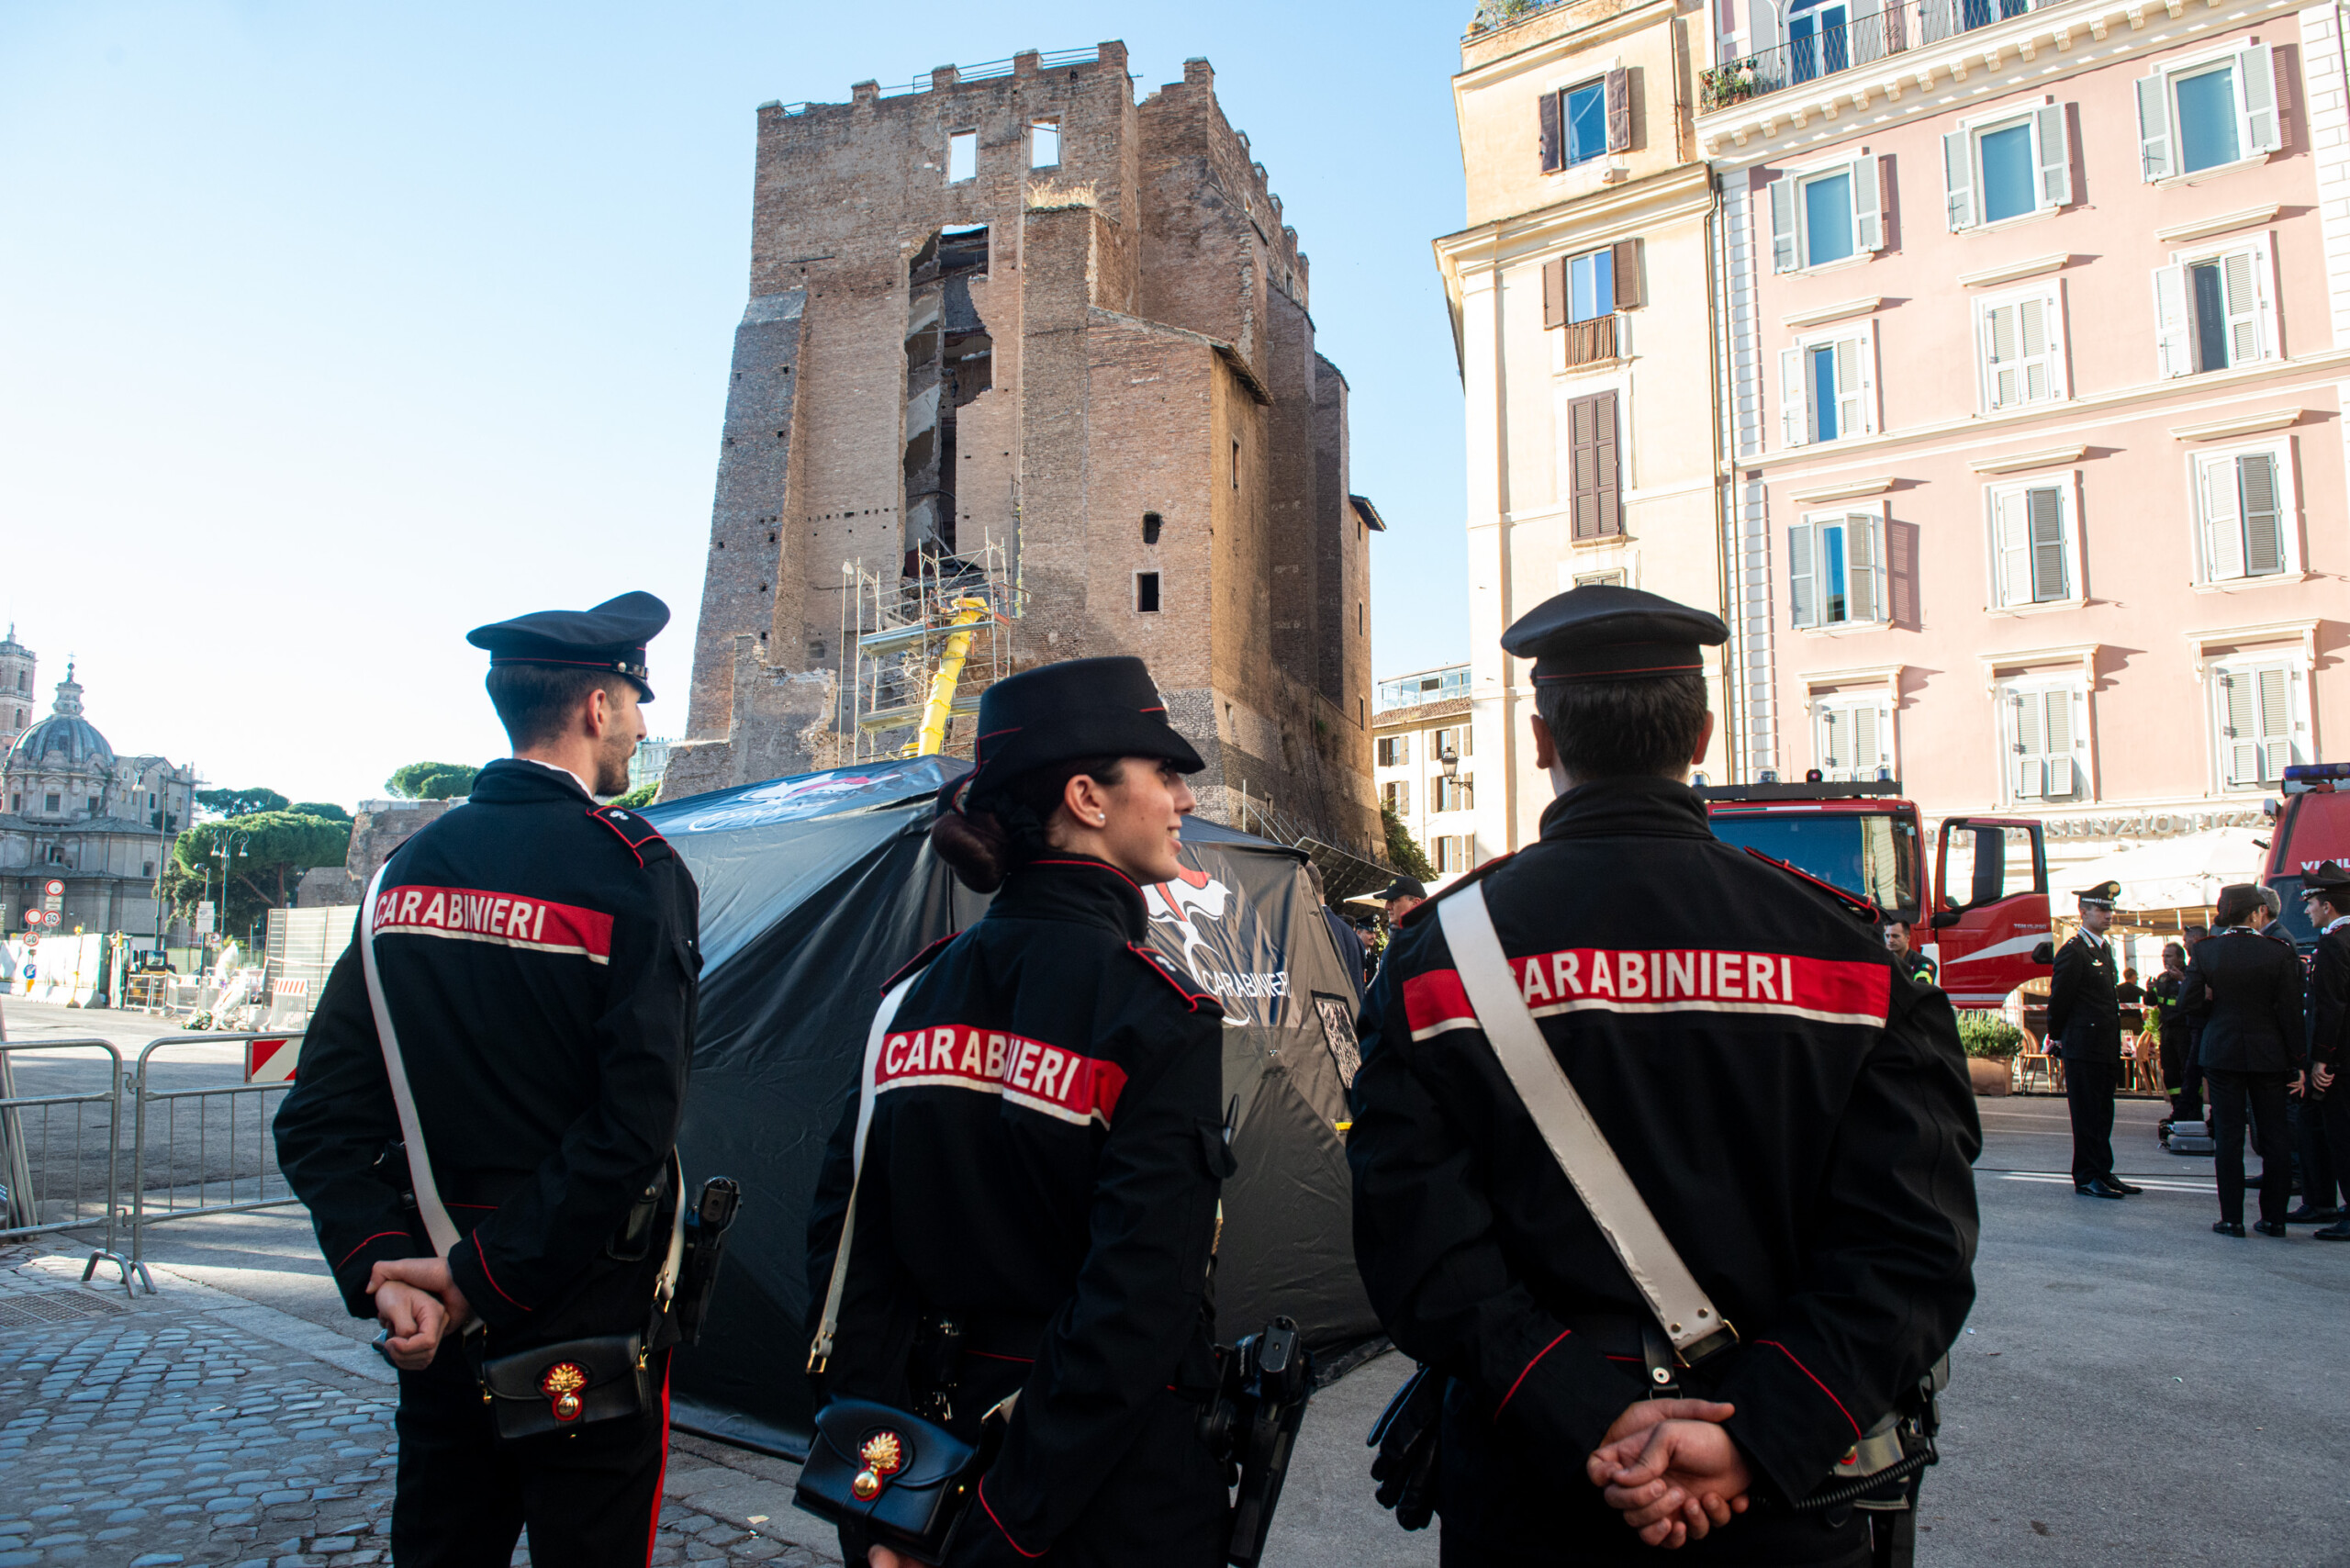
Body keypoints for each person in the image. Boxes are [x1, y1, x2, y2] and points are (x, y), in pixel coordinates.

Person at [1348, 584, 1980, 1565]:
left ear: (1541, 738)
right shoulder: (1848, 956)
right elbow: (1914, 1246)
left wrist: (1593, 1419)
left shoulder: (1439, 956)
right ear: (1701, 734)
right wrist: (1751, 1439)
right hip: (1785, 1495)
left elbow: (1417, 1243)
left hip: (1537, 1478)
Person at [274, 592, 701, 1566]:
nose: (641, 726)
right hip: (577, 1315)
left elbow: (319, 1119)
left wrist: (394, 1271)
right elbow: (632, 1126)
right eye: (635, 700)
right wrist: (485, 1277)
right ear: (597, 706)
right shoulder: (633, 869)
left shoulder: (405, 872)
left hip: (433, 1309)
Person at [805, 656, 1234, 1568]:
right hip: (1097, 1499)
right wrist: (1001, 1526)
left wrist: (885, 1506)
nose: (1180, 801)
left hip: (924, 1462)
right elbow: (1136, 1306)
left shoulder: (907, 998)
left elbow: (850, 1264)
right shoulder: (1157, 1011)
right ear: (1087, 796)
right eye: (1162, 775)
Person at [2180, 883, 2306, 1237]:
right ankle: (2274, 1218)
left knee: (2230, 1137)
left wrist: (2214, 1005)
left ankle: (2232, 1218)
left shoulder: (2206, 952)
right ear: (2255, 914)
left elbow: (2188, 1003)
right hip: (2269, 1053)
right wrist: (2298, 1059)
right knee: (2275, 1136)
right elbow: (2291, 1012)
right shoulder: (2278, 951)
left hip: (2222, 1051)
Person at [2048, 881, 2139, 1200]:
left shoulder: (2103, 949)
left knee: (2103, 1111)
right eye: (2102, 909)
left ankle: (2103, 1169)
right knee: (2086, 1114)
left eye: (2110, 909)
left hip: (2102, 1044)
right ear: (2083, 911)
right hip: (2083, 1044)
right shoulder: (2073, 951)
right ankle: (2087, 1175)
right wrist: (2057, 1037)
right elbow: (2059, 1000)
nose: (2108, 914)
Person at [2298, 863, 2350, 1239]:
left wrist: (2321, 1058)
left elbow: (2331, 1006)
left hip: (2341, 1059)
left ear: (2328, 906)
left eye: (2311, 903)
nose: (2307, 910)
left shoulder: (2334, 943)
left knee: (2343, 1136)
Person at [2151, 944, 2192, 1123]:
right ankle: (2177, 1108)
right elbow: (2153, 1002)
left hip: (2185, 1030)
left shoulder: (2190, 975)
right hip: (2167, 1030)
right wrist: (2150, 989)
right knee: (2170, 1071)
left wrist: (2183, 980)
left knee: (2188, 1071)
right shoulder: (2162, 979)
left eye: (2169, 956)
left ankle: (2192, 1109)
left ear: (2180, 958)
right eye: (2164, 956)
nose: (2165, 959)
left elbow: (2194, 997)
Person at [1883, 919, 1937, 986]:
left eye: (1895, 936)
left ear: (1907, 938)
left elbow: (1921, 988)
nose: (1890, 940)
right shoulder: (1881, 961)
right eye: (1887, 936)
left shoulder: (1924, 963)